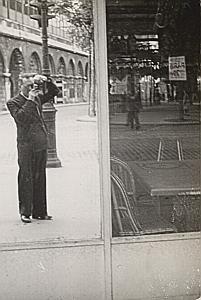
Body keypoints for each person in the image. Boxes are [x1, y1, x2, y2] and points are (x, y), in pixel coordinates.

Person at [7, 75, 59, 223]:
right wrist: (30, 99)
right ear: (20, 85)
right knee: (26, 177)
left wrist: (46, 80)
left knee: (40, 177)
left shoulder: (37, 98)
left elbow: (55, 92)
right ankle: (25, 212)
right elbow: (21, 118)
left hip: (40, 143)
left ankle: (40, 212)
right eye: (29, 86)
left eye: (33, 86)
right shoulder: (13, 102)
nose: (32, 89)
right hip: (26, 145)